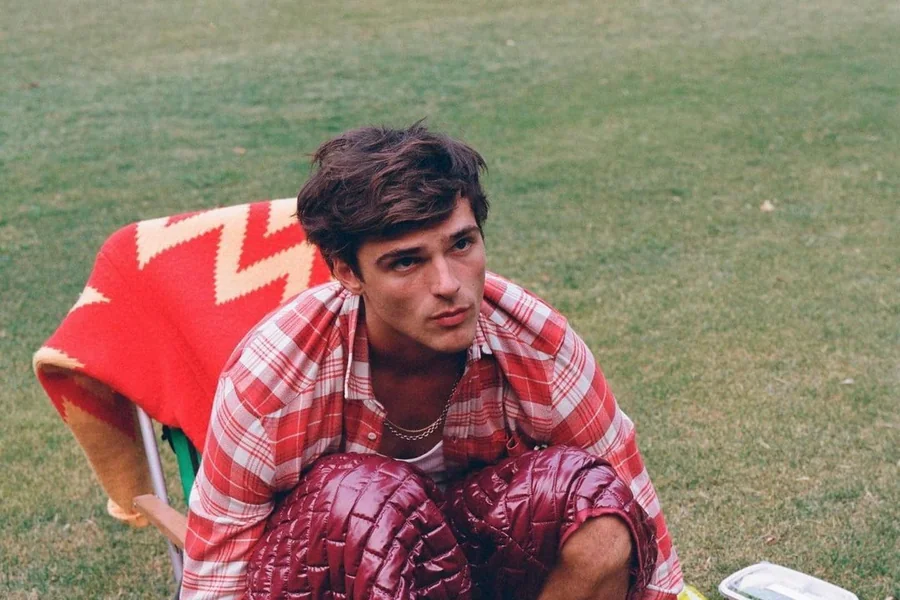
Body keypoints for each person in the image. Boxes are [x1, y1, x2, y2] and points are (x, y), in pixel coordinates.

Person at [182, 122, 683, 599]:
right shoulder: (273, 376)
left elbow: (635, 506)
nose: (448, 284)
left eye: (461, 244)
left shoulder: (536, 342)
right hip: (327, 569)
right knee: (363, 500)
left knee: (595, 504)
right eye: (406, 261)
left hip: (469, 555)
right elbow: (220, 568)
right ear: (346, 272)